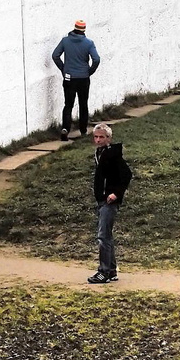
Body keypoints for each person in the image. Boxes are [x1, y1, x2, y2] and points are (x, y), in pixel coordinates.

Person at [89, 122, 131, 284]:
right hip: (102, 199)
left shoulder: (112, 155)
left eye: (102, 137)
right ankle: (111, 270)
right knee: (106, 235)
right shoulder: (100, 153)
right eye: (96, 137)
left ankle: (104, 271)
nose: (98, 140)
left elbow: (127, 174)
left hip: (109, 200)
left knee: (103, 236)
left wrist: (116, 194)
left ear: (109, 138)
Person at [52, 19, 101, 141]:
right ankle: (83, 130)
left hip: (69, 78)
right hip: (83, 78)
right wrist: (89, 71)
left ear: (74, 28)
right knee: (83, 104)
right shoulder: (89, 43)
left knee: (68, 104)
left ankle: (65, 129)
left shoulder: (65, 41)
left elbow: (55, 55)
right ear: (84, 30)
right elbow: (96, 59)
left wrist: (63, 69)